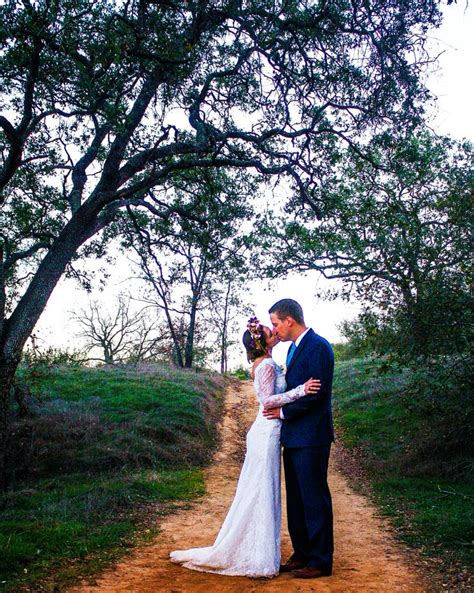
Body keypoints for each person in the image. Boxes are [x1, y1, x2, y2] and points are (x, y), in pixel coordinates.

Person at [170, 318, 320, 578]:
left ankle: (260, 549)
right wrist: (301, 391)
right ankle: (256, 555)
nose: (273, 330)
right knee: (262, 489)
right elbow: (267, 401)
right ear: (262, 341)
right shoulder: (266, 365)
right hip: (266, 432)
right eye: (267, 330)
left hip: (270, 432)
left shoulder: (265, 363)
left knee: (264, 488)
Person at [263, 298, 334, 579]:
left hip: (312, 436)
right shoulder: (292, 349)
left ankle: (319, 560)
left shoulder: (318, 346)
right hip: (293, 437)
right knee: (296, 499)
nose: (274, 329)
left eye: (276, 323)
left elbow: (316, 394)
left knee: (314, 498)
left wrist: (282, 412)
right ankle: (302, 553)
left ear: (289, 320)